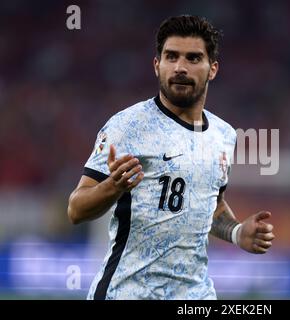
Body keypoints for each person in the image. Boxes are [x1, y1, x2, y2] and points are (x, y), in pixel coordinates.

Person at [67, 15, 275, 300]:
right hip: (128, 292)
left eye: (193, 58)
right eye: (171, 56)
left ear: (212, 69)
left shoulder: (224, 136)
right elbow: (76, 210)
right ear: (157, 65)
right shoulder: (127, 126)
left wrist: (238, 233)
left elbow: (209, 205)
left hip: (195, 296)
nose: (180, 67)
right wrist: (112, 187)